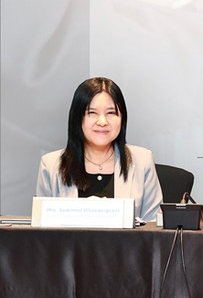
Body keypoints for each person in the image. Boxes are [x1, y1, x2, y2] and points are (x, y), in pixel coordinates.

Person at [36, 77, 162, 221]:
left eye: (111, 113)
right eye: (92, 113)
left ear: (122, 118)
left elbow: (154, 226)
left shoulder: (142, 161)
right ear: (77, 118)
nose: (102, 122)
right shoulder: (50, 165)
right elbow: (42, 228)